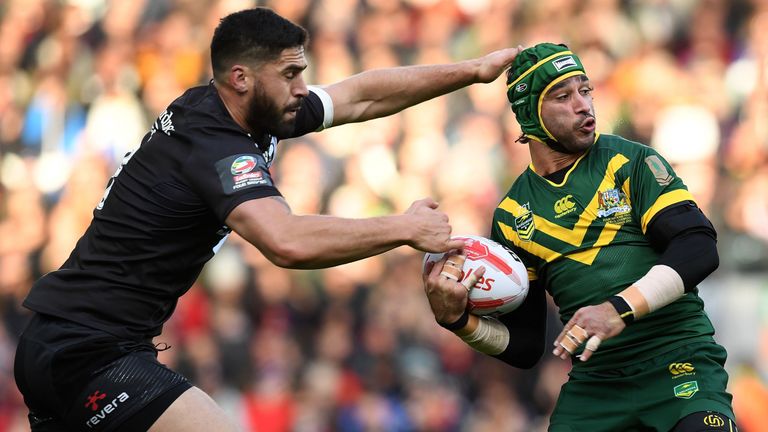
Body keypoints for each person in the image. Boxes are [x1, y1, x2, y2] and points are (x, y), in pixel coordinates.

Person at [12, 7, 522, 432]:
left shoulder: (248, 109)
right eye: (291, 74)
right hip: (86, 351)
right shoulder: (214, 144)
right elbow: (286, 241)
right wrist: (403, 227)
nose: (303, 87)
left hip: (78, 345)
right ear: (241, 77)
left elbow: (361, 94)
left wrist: (472, 71)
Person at [423, 43, 738, 432]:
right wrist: (457, 321)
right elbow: (525, 347)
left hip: (677, 359)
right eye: (563, 96)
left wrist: (617, 308)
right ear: (529, 113)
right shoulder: (512, 215)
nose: (583, 105)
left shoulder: (629, 162)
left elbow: (699, 247)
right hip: (597, 385)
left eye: (585, 91)